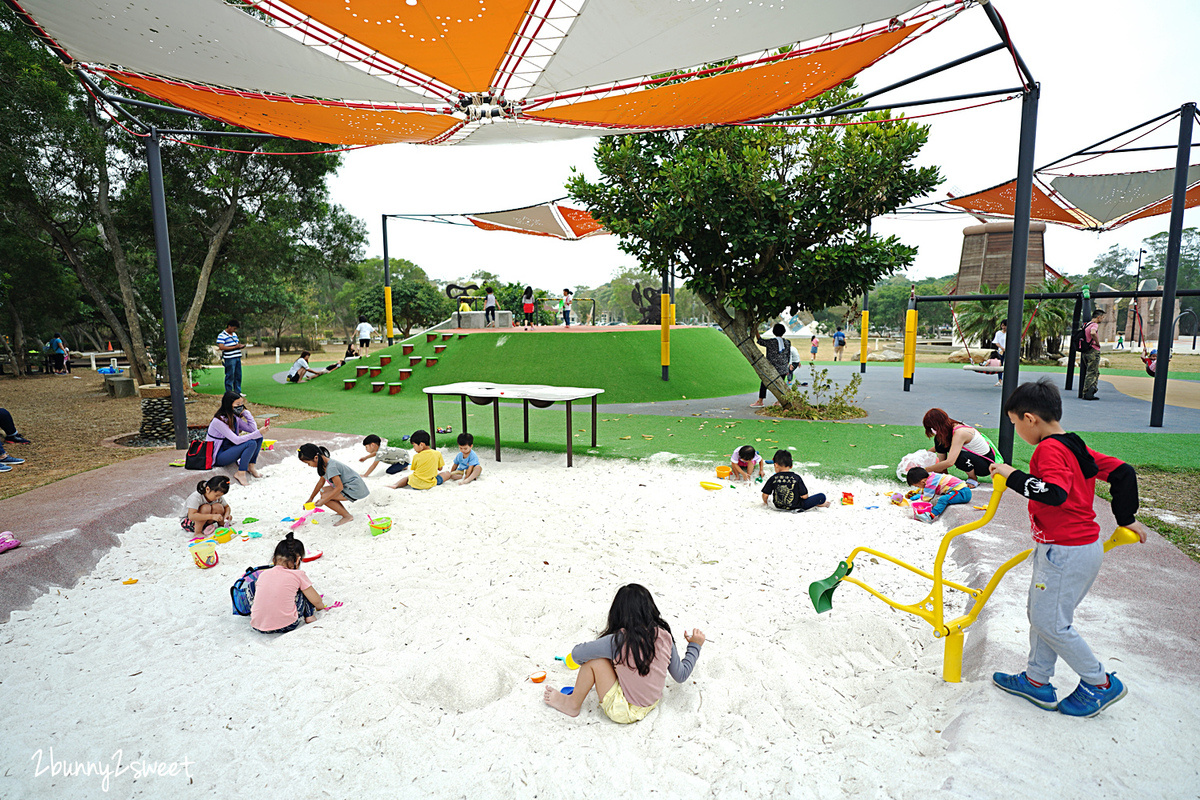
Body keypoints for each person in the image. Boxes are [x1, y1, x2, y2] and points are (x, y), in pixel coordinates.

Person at [988, 378, 1147, 717]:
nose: (1017, 430)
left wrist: (1011, 474)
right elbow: (1122, 472)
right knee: (1044, 615)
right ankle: (1036, 680)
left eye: (1015, 423)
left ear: (1030, 418)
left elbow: (1053, 493)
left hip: (1065, 551)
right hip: (1077, 549)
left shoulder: (1048, 449)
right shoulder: (1074, 444)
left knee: (1051, 622)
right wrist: (1125, 517)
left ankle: (1100, 682)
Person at [544, 583, 704, 723]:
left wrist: (598, 659)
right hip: (650, 703)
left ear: (617, 613)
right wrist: (694, 646)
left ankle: (572, 704)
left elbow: (577, 654)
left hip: (622, 710)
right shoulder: (664, 636)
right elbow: (681, 675)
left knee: (594, 662)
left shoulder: (618, 640)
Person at [250, 533, 338, 634]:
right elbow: (316, 601)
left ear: (274, 559)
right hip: (287, 625)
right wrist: (320, 607)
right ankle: (309, 616)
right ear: (298, 559)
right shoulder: (298, 575)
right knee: (303, 590)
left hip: (257, 626)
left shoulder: (263, 574)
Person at [922, 408, 998, 487]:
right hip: (973, 457)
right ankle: (943, 473)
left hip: (986, 464)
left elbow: (950, 462)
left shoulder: (960, 432)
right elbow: (939, 446)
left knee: (959, 457)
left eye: (933, 428)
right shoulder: (949, 426)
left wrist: (925, 470)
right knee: (939, 440)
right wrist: (921, 455)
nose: (933, 430)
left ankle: (972, 478)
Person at [206, 392, 269, 485]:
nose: (240, 406)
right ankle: (240, 473)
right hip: (219, 455)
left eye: (241, 404)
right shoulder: (218, 421)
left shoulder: (234, 417)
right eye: (237, 404)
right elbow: (236, 440)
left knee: (258, 438)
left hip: (230, 449)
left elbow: (252, 429)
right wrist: (257, 432)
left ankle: (250, 466)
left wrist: (247, 413)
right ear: (228, 405)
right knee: (251, 443)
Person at [299, 443, 368, 527]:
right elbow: (321, 482)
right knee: (323, 491)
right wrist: (311, 498)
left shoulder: (331, 467)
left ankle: (347, 516)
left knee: (325, 497)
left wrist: (323, 501)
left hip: (355, 489)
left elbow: (339, 487)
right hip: (350, 487)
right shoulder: (323, 464)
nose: (309, 466)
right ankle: (340, 511)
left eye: (308, 463)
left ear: (316, 458)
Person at [761, 450, 829, 511]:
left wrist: (766, 503)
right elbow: (804, 496)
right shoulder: (796, 478)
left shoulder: (773, 478)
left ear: (776, 465)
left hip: (778, 506)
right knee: (821, 496)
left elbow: (765, 495)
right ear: (791, 466)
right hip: (796, 506)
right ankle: (822, 504)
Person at [905, 466, 971, 523]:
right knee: (942, 497)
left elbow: (927, 498)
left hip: (962, 493)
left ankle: (930, 517)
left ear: (922, 482)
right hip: (959, 491)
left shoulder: (930, 483)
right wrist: (916, 493)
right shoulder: (931, 477)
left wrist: (921, 500)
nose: (919, 488)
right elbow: (926, 490)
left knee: (943, 499)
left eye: (918, 486)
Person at [749, 323, 792, 408]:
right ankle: (779, 401)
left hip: (772, 368)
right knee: (781, 385)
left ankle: (760, 401)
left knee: (764, 383)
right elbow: (788, 355)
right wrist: (786, 367)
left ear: (773, 331)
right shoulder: (787, 342)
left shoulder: (771, 342)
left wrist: (756, 330)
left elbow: (760, 340)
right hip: (783, 368)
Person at [1080, 308, 1104, 401]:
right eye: (1102, 317)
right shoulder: (1094, 325)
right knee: (1092, 372)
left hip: (1086, 350)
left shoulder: (1086, 324)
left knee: (1092, 371)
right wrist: (1097, 343)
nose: (1102, 319)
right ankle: (1088, 392)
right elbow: (1093, 332)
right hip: (1093, 350)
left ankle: (1088, 391)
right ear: (1098, 317)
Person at [215, 319, 242, 396]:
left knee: (238, 375)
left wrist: (239, 346)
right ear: (229, 326)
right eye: (234, 328)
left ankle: (238, 392)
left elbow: (235, 344)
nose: (234, 330)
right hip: (230, 358)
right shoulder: (221, 335)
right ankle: (229, 392)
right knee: (230, 375)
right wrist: (234, 347)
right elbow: (221, 347)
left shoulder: (234, 335)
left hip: (237, 357)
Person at [990, 320, 1008, 386]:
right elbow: (996, 342)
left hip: (1008, 351)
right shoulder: (998, 333)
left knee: (1008, 365)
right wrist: (1002, 348)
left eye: (1004, 325)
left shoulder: (1010, 333)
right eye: (1002, 325)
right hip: (1001, 351)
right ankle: (1000, 380)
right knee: (1000, 365)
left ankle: (1007, 380)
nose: (1003, 327)